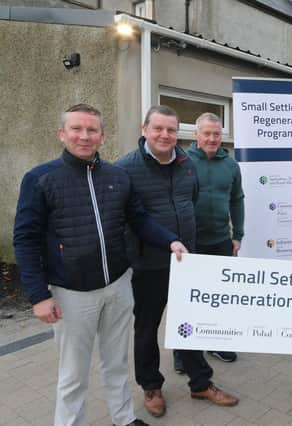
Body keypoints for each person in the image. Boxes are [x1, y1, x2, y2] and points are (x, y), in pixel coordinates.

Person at [13, 103, 188, 426]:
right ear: (62, 134)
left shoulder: (117, 176)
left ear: (102, 136)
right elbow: (25, 239)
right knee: (73, 374)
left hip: (119, 285)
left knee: (116, 363)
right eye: (77, 129)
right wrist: (38, 296)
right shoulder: (40, 178)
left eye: (92, 130)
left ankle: (123, 418)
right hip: (71, 293)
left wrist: (169, 240)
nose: (84, 136)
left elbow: (139, 219)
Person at [117, 106, 238, 418]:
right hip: (148, 264)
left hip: (186, 260)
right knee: (147, 327)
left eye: (171, 130)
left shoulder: (186, 164)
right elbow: (123, 217)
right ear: (144, 130)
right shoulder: (126, 168)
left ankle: (200, 382)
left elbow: (191, 200)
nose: (164, 135)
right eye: (158, 128)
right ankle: (151, 386)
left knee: (189, 323)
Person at [183, 112, 244, 364]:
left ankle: (217, 342)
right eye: (206, 133)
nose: (212, 138)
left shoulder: (231, 165)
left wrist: (237, 234)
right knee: (188, 300)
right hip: (190, 242)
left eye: (216, 134)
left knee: (219, 298)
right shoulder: (182, 161)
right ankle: (183, 351)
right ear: (196, 135)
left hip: (221, 240)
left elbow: (237, 200)